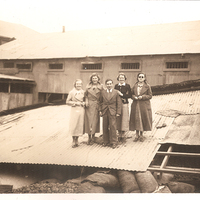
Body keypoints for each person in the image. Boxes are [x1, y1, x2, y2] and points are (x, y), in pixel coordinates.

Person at [129, 73, 152, 142]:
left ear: (144, 78)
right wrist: (134, 97)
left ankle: (141, 135)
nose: (141, 78)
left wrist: (142, 97)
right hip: (136, 104)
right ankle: (136, 135)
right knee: (136, 118)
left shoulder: (147, 86)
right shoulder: (135, 86)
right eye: (139, 77)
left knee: (143, 118)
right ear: (137, 78)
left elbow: (150, 96)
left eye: (142, 77)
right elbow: (131, 94)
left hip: (144, 105)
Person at [99, 79, 122, 149]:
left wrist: (118, 112)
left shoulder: (116, 92)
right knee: (105, 126)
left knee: (113, 126)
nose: (109, 85)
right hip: (105, 111)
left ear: (112, 84)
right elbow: (100, 102)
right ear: (106, 85)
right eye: (107, 84)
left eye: (110, 84)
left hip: (113, 111)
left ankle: (114, 142)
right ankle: (105, 141)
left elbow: (119, 103)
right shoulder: (102, 92)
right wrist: (100, 110)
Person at [66, 79, 85, 148]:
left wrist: (84, 103)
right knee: (74, 124)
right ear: (75, 85)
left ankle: (77, 139)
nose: (79, 85)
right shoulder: (71, 92)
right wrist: (75, 103)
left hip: (81, 109)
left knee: (79, 124)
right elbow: (67, 102)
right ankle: (73, 140)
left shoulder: (83, 92)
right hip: (74, 109)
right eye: (77, 84)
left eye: (80, 84)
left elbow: (85, 100)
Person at [85, 73, 103, 145]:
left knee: (95, 122)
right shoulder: (88, 86)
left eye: (96, 78)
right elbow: (85, 95)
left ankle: (93, 137)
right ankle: (89, 137)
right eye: (93, 78)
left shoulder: (101, 87)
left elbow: (103, 96)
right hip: (89, 106)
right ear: (91, 79)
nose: (94, 79)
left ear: (98, 79)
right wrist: (86, 101)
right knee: (89, 121)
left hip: (96, 106)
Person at [114, 73, 131, 143]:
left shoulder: (127, 86)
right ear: (118, 79)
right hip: (117, 104)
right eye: (120, 78)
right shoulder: (116, 86)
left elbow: (129, 95)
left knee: (124, 118)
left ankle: (123, 135)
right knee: (118, 118)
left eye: (122, 78)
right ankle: (119, 133)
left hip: (124, 103)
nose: (121, 79)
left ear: (125, 79)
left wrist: (122, 94)